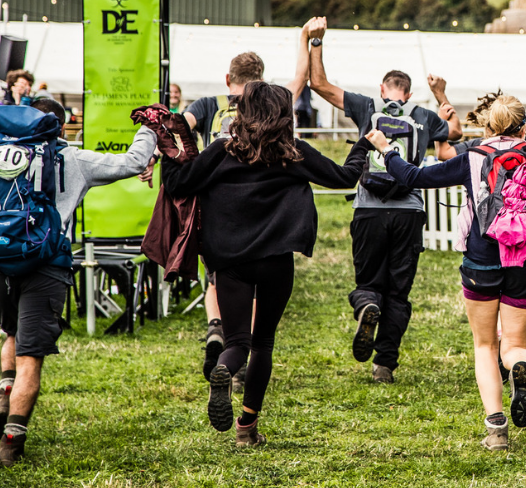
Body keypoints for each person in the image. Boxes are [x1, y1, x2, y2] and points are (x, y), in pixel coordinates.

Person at [369, 93, 526, 451]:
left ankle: (496, 429)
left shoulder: (473, 158)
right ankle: (519, 366)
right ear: (525, 127)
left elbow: (414, 177)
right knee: (515, 345)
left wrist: (387, 149)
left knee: (485, 345)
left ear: (487, 126)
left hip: (481, 260)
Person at [160, 82, 373, 446]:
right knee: (263, 343)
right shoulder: (293, 153)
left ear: (243, 112)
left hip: (228, 260)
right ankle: (247, 427)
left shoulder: (220, 151)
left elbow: (178, 183)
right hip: (275, 260)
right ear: (283, 114)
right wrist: (364, 144)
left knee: (238, 339)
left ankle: (224, 369)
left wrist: (170, 148)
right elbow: (343, 176)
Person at [0, 99, 155, 466]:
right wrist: (150, 127)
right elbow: (131, 162)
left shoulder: (5, 155)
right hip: (48, 264)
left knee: (9, 333)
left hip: (3, 258)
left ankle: (4, 394)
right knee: (31, 358)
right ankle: (10, 444)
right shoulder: (75, 159)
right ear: (63, 126)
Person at [308, 16, 461, 383]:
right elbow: (454, 131)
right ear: (407, 93)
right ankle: (384, 365)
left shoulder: (366, 107)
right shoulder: (423, 115)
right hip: (409, 211)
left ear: (383, 89)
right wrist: (440, 94)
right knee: (400, 290)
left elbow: (320, 85)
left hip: (368, 209)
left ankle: (367, 305)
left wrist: (316, 42)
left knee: (368, 281)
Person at [181, 24, 313, 387]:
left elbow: (180, 126)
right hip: (267, 219)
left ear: (228, 78)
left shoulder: (210, 106)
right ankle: (240, 356)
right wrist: (306, 40)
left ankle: (216, 328)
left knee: (221, 279)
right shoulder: (272, 106)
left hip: (218, 216)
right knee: (257, 293)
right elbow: (301, 79)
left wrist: (152, 154)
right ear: (261, 81)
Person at [437, 90, 526, 161]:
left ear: (488, 126)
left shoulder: (478, 147)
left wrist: (440, 99)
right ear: (523, 129)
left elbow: (444, 153)